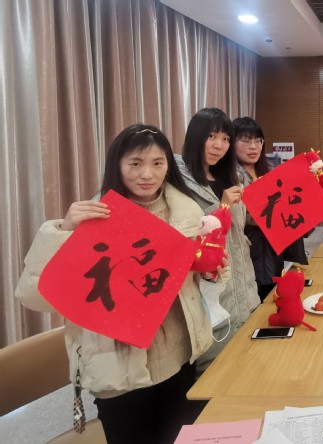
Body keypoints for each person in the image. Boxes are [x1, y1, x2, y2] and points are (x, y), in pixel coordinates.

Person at [15, 125, 213, 443]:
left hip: (180, 357)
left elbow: (192, 280)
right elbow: (34, 295)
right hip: (119, 371)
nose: (147, 174)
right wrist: (63, 231)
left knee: (180, 438)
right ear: (117, 165)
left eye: (157, 163)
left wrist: (210, 269)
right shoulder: (93, 217)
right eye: (135, 163)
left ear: (169, 165)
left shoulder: (186, 211)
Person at [175, 108, 259, 372]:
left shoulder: (229, 176)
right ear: (195, 136)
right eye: (211, 136)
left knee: (247, 362)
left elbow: (242, 225)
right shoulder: (178, 181)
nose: (218, 145)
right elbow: (185, 231)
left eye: (225, 139)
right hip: (210, 285)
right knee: (214, 367)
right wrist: (221, 206)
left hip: (243, 281)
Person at [232, 117, 307, 300]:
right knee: (258, 299)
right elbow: (231, 217)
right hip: (250, 252)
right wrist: (255, 215)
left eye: (258, 140)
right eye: (245, 140)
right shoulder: (230, 177)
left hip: (275, 250)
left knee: (276, 294)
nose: (253, 146)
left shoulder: (272, 171)